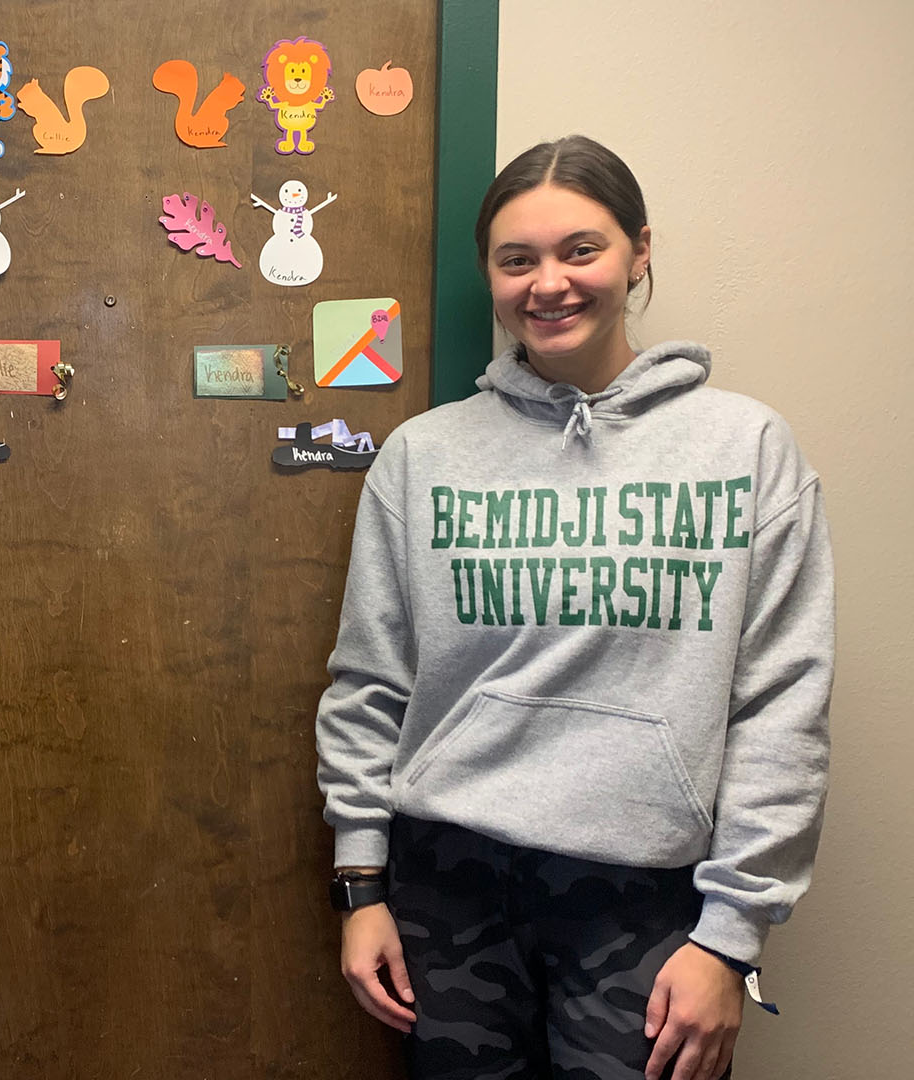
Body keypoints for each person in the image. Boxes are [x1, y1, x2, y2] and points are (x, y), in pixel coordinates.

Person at [316, 135, 833, 1080]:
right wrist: (362, 885)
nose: (547, 283)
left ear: (640, 251)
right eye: (517, 260)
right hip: (448, 889)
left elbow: (782, 705)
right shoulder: (422, 458)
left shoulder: (746, 447)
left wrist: (731, 936)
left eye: (580, 250)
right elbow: (370, 680)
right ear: (490, 276)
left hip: (648, 899)